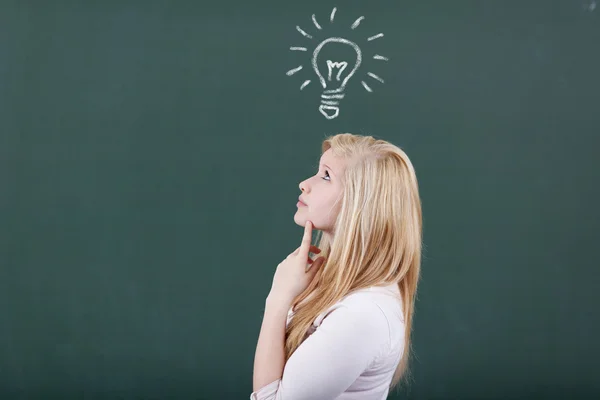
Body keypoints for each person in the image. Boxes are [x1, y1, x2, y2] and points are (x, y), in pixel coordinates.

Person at [251, 133, 423, 400]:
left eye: (326, 176)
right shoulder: (333, 284)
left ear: (361, 204)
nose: (305, 184)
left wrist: (278, 300)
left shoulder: (364, 313)